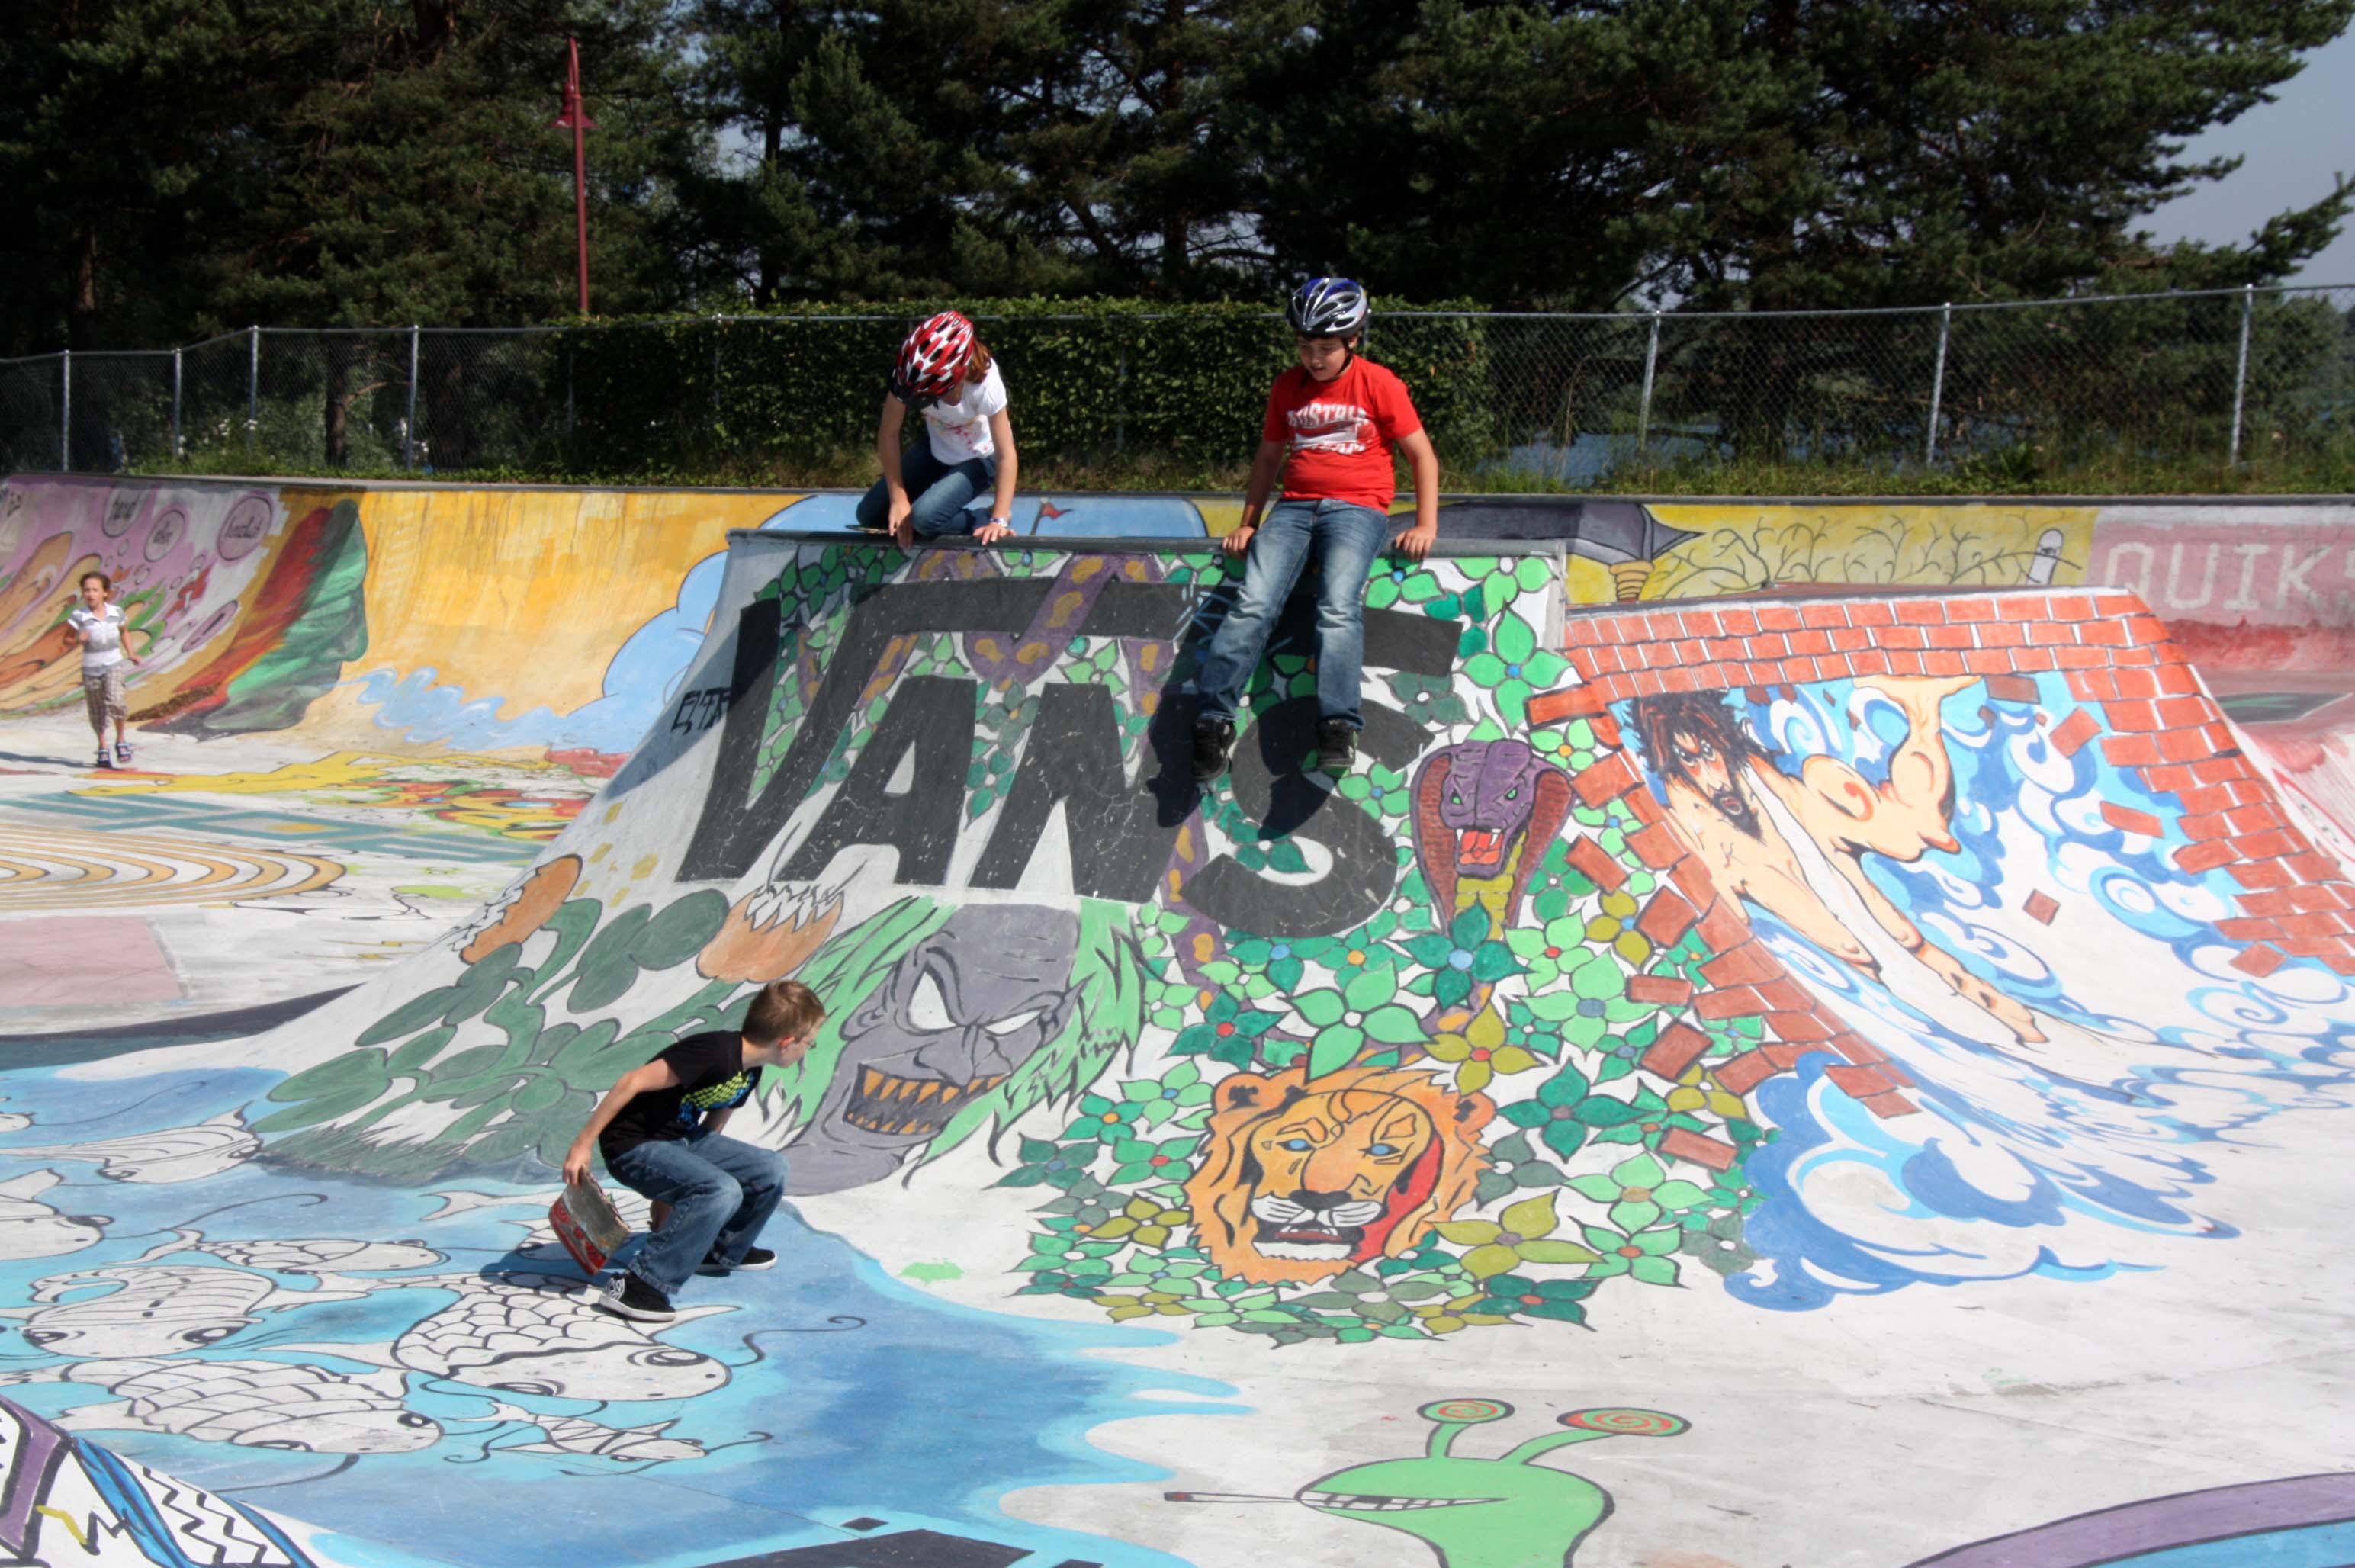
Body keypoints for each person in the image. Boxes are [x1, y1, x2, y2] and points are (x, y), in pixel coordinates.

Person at [1629, 682, 2044, 1043]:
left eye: (1708, 752)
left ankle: (1922, 705)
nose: (1711, 775)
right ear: (1673, 767)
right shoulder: (1702, 835)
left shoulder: (1791, 796)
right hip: (1882, 996)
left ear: (1723, 743)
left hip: (1933, 967)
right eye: (1689, 760)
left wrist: (1922, 716)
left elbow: (1912, 833)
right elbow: (1725, 919)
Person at [1191, 278, 1438, 783]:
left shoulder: (1379, 384)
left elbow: (1422, 455)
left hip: (1357, 509)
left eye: (1326, 348)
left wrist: (1426, 524)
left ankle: (1337, 725)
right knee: (1253, 602)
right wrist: (1248, 523)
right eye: (1305, 347)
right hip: (1294, 510)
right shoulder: (1287, 386)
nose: (1314, 358)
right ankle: (1212, 722)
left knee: (1337, 605)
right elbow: (1268, 458)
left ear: (1353, 340)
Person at [564, 978, 826, 1322]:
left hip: (681, 1141)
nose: (809, 1049)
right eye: (810, 1043)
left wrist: (674, 1190)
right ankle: (639, 1284)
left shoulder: (749, 1071)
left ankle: (717, 1249)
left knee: (771, 1169)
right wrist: (581, 1146)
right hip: (633, 1144)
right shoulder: (712, 1053)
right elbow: (632, 1081)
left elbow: (713, 1129)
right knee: (720, 1190)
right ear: (787, 1042)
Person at [856, 310, 1020, 550]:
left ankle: (981, 517)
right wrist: (899, 499)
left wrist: (999, 518)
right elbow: (888, 432)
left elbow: (1006, 455)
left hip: (981, 457)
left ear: (955, 378)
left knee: (924, 519)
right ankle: (922, 516)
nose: (919, 399)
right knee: (870, 515)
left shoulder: (985, 386)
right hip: (937, 449)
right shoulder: (908, 376)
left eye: (928, 395)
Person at [62, 571, 140, 770]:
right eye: (87, 590)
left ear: (105, 593)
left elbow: (125, 632)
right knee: (97, 710)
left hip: (113, 664)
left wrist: (131, 653)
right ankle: (103, 746)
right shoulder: (79, 616)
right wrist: (77, 639)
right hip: (91, 668)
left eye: (95, 590)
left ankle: (121, 740)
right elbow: (67, 639)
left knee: (116, 702)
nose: (90, 594)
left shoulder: (116, 613)